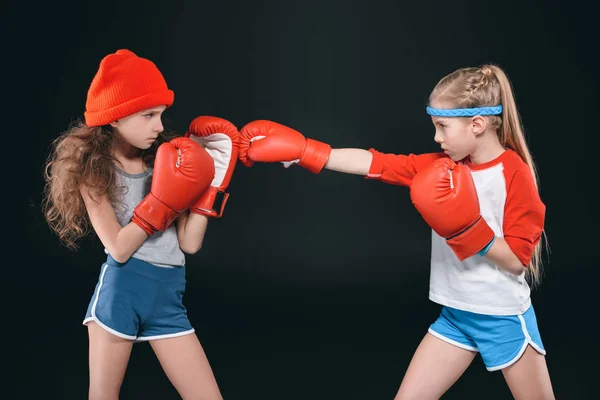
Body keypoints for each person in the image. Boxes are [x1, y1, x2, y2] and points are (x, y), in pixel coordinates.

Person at [237, 64, 554, 399]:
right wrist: (306, 151)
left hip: (501, 317)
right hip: (456, 315)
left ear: (477, 125)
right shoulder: (442, 166)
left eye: (443, 127)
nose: (437, 137)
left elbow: (519, 260)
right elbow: (377, 164)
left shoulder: (514, 174)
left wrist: (466, 227)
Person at [42, 49, 240, 400]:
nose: (160, 126)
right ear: (115, 118)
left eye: (162, 114)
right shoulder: (94, 171)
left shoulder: (168, 161)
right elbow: (118, 247)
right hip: (123, 293)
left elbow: (189, 244)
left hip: (168, 295)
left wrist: (212, 186)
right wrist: (162, 201)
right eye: (148, 115)